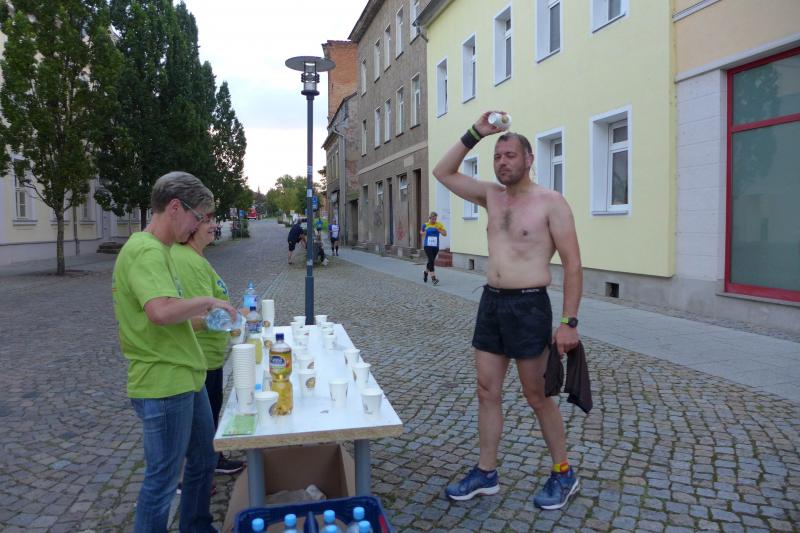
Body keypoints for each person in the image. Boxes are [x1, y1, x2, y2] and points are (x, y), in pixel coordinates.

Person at [432, 112, 583, 510]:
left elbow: (573, 265)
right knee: (487, 391)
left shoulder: (551, 203)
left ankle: (563, 472)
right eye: (498, 157)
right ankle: (486, 473)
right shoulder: (491, 196)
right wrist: (476, 133)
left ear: (529, 159)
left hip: (530, 305)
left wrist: (568, 323)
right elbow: (442, 172)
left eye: (510, 155)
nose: (502, 162)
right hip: (492, 303)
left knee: (537, 395)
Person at [112, 171, 238, 532]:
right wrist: (208, 301)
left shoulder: (162, 251)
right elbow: (161, 311)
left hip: (185, 375)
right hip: (163, 382)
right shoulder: (146, 251)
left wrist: (206, 316)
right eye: (197, 217)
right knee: (162, 481)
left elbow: (174, 314)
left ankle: (196, 526)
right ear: (174, 207)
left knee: (203, 457)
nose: (198, 226)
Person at [171, 214, 245, 478]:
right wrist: (238, 316)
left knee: (211, 413)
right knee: (201, 421)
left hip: (210, 356)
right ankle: (197, 473)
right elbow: (199, 314)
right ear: (192, 226)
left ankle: (213, 459)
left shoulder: (197, 257)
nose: (214, 226)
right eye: (207, 221)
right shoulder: (187, 261)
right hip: (200, 355)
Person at [420, 212, 447, 285]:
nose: (434, 220)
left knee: (430, 261)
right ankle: (433, 278)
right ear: (430, 218)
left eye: (435, 219)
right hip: (427, 246)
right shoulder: (425, 225)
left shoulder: (439, 225)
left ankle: (426, 272)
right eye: (433, 219)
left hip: (435, 246)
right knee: (431, 260)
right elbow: (421, 233)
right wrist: (425, 232)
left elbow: (445, 234)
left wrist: (439, 230)